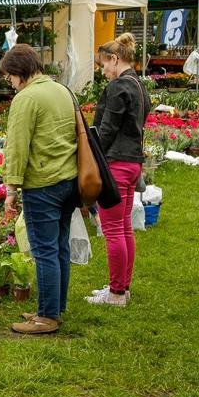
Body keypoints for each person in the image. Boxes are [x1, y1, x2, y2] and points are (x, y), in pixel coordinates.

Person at [0, 44, 79, 335]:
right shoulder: (62, 90)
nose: (9, 83)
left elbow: (17, 147)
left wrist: (11, 188)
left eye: (8, 77)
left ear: (18, 73)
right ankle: (54, 308)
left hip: (42, 184)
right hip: (69, 180)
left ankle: (46, 317)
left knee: (45, 251)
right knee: (60, 247)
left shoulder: (26, 98)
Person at [86, 33, 151, 308]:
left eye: (103, 65)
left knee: (112, 229)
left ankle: (115, 293)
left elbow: (106, 130)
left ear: (115, 59)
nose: (103, 71)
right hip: (133, 161)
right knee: (124, 228)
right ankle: (121, 288)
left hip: (115, 164)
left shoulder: (118, 87)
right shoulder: (139, 85)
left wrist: (89, 154)